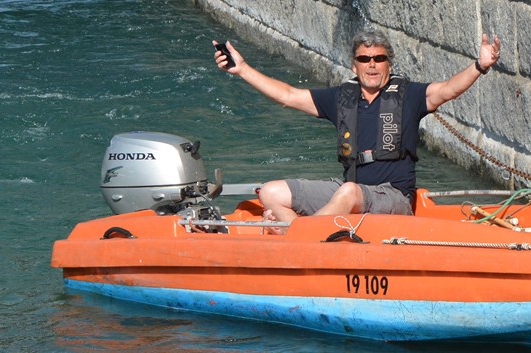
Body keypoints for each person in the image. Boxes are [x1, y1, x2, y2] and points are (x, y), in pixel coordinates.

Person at [213, 29, 500, 229]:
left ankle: (302, 236)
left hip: (393, 197)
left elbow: (449, 90)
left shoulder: (410, 96)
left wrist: (479, 66)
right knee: (271, 193)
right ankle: (306, 236)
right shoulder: (341, 98)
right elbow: (288, 95)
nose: (372, 65)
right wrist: (243, 69)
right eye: (365, 59)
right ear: (355, 65)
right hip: (350, 190)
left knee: (349, 192)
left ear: (389, 63)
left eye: (379, 58)